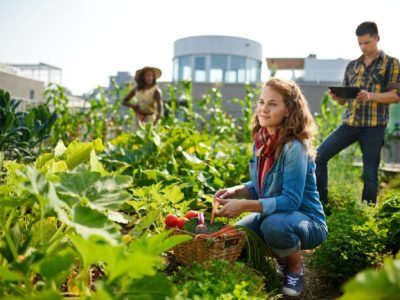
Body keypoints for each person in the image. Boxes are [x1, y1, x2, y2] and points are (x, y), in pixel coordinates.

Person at [214, 78, 328, 297]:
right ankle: (281, 259)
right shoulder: (262, 140)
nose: (263, 109)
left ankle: (294, 267)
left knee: (274, 227)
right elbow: (262, 185)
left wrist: (245, 205)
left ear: (288, 110)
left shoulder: (294, 148)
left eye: (272, 104)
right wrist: (237, 191)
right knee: (239, 234)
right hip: (276, 214)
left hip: (307, 220)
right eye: (261, 102)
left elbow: (291, 201)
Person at [316, 21, 400, 204]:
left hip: (374, 127)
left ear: (377, 38)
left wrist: (370, 96)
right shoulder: (352, 66)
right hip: (350, 124)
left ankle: (367, 212)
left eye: (367, 43)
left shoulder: (391, 63)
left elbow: (395, 96)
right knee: (318, 156)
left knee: (370, 174)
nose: (363, 47)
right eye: (360, 43)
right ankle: (321, 205)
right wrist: (339, 98)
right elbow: (346, 99)